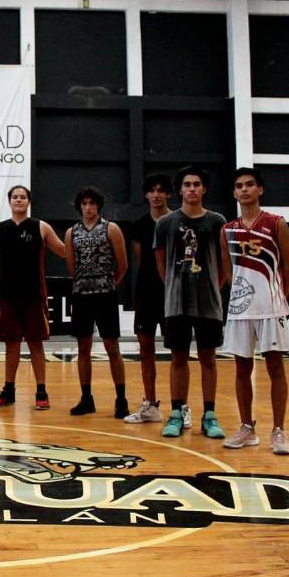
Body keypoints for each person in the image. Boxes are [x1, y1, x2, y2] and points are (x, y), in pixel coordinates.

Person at [221, 167, 289, 455]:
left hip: (270, 308)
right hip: (240, 310)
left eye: (250, 184)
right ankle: (246, 428)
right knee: (242, 369)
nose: (244, 189)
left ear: (260, 189)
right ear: (234, 192)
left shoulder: (276, 223)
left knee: (275, 367)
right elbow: (228, 270)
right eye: (239, 185)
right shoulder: (227, 229)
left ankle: (279, 431)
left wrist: (277, 297)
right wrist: (242, 294)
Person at [154, 166, 228, 438]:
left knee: (208, 358)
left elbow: (224, 263)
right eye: (187, 184)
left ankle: (209, 415)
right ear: (180, 190)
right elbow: (161, 262)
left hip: (208, 302)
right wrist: (174, 285)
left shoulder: (218, 221)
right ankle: (176, 413)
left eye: (197, 184)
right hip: (177, 302)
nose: (192, 188)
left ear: (204, 189)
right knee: (178, 358)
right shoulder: (165, 223)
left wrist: (212, 288)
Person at [0, 185, 67, 410]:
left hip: (34, 295)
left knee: (35, 344)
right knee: (11, 344)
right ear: (9, 201)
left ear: (28, 201)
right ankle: (8, 390)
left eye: (22, 197)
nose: (19, 200)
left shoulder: (41, 227)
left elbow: (63, 250)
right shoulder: (0, 228)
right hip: (9, 296)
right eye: (15, 197)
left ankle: (41, 391)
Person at [63, 187, 130, 418]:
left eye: (92, 203)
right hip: (82, 295)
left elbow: (123, 265)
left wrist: (109, 283)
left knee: (112, 347)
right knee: (83, 348)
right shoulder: (71, 232)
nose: (88, 207)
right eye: (84, 203)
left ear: (98, 206)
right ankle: (86, 398)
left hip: (105, 295)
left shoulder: (111, 228)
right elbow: (71, 267)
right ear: (79, 206)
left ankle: (121, 399)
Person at [124, 174, 172, 424]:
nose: (156, 195)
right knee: (146, 350)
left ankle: (180, 408)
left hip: (171, 294)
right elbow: (141, 260)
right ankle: (150, 404)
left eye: (161, 190)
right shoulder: (139, 225)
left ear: (168, 194)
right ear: (146, 195)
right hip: (146, 294)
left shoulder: (176, 222)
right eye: (152, 190)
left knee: (178, 351)